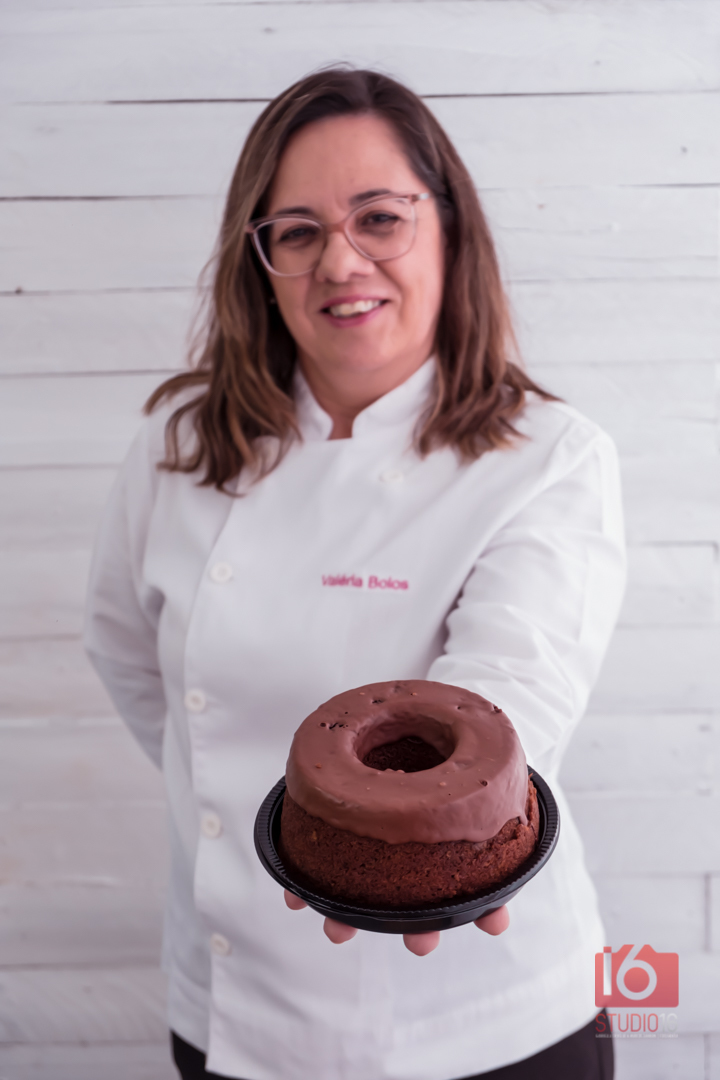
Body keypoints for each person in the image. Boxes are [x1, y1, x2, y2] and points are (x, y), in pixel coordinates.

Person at [84, 68, 624, 1080]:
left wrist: (410, 852)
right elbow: (125, 654)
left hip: (483, 1016)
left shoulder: (547, 457)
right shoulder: (179, 443)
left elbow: (512, 691)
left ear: (450, 229)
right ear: (260, 261)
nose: (340, 261)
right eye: (296, 232)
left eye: (379, 217)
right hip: (231, 1007)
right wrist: (253, 814)